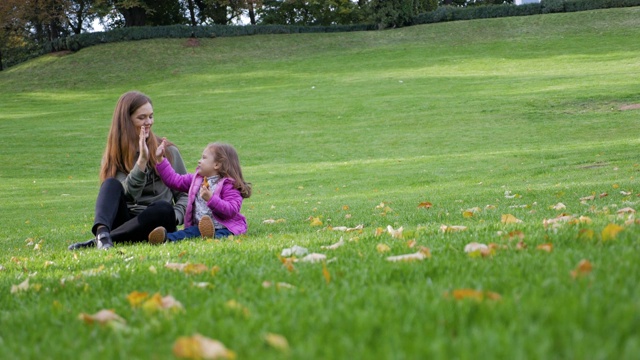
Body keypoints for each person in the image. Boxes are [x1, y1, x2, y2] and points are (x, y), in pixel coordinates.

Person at [68, 91, 188, 250]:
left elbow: (186, 193)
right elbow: (127, 196)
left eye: (151, 116)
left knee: (164, 208)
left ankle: (99, 241)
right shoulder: (114, 156)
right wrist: (141, 162)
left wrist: (176, 215)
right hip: (126, 221)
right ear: (126, 121)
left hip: (157, 222)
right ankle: (102, 233)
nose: (148, 122)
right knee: (110, 184)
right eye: (141, 117)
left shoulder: (168, 151)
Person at [147, 141, 251, 244]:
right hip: (199, 228)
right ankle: (165, 238)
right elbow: (174, 180)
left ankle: (212, 237)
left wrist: (211, 199)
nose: (199, 161)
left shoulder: (230, 185)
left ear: (217, 164)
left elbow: (231, 210)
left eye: (204, 158)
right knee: (187, 233)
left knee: (223, 235)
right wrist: (160, 159)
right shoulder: (196, 180)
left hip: (225, 227)